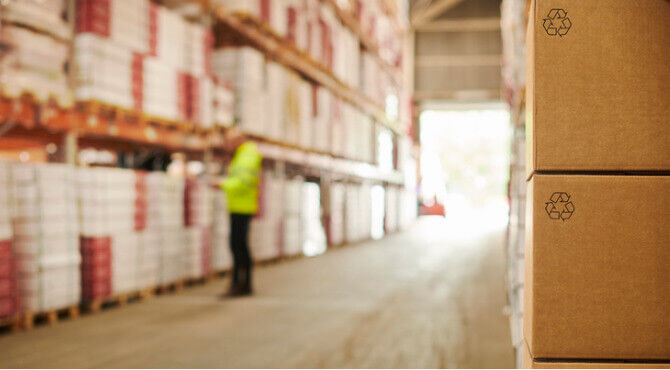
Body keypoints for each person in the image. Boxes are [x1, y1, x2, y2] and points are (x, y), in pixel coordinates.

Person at [218, 127, 262, 297]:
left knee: (238, 246)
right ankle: (243, 284)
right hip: (239, 205)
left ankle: (240, 284)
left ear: (238, 140)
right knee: (239, 245)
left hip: (242, 206)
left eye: (229, 141)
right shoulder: (244, 154)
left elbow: (243, 181)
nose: (226, 145)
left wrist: (222, 184)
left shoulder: (247, 155)